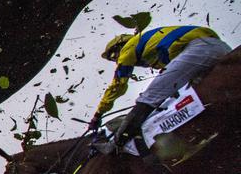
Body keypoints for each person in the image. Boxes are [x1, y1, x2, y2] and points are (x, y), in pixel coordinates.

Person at [88, 26, 232, 154]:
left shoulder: (128, 48)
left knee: (148, 98)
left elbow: (118, 85)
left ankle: (115, 144)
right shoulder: (149, 44)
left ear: (119, 47)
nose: (116, 61)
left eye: (114, 57)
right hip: (220, 48)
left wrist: (98, 114)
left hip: (199, 49)